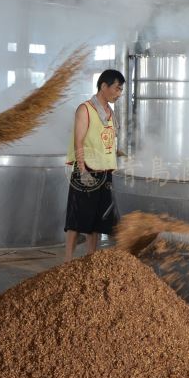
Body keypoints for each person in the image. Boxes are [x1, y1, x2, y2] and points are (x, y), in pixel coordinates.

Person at [64, 69, 125, 261]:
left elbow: (105, 140)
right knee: (76, 219)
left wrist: (117, 153)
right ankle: (67, 261)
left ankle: (90, 260)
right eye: (117, 88)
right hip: (86, 171)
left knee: (98, 221)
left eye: (121, 90)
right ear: (104, 86)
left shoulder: (110, 113)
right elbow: (79, 142)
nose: (119, 93)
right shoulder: (85, 109)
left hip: (105, 172)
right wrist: (82, 170)